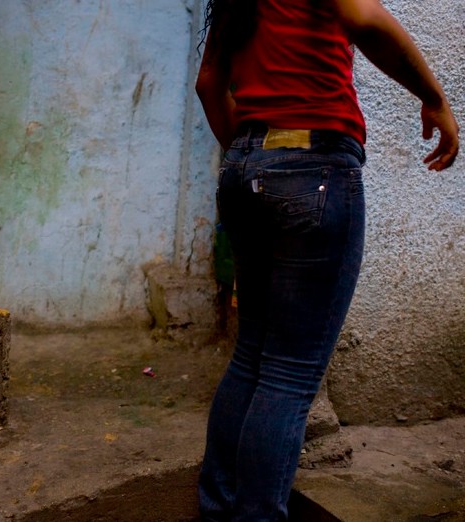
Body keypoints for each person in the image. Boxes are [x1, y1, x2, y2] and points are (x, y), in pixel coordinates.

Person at [195, 0, 458, 519]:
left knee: (251, 356)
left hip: (246, 161)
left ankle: (217, 506)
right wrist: (434, 97)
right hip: (315, 166)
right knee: (288, 375)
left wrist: (257, 166)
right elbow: (363, 17)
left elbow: (209, 84)